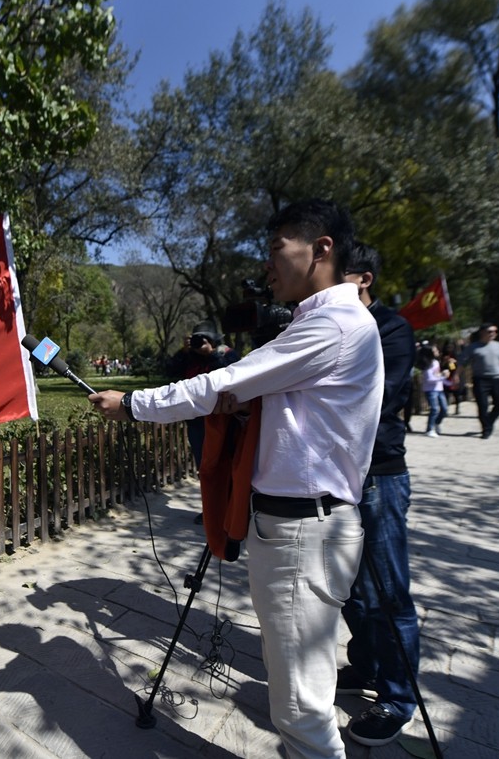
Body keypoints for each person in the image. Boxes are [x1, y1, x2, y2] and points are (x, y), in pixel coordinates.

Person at [91, 198, 384, 758]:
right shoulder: (323, 321)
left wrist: (132, 404)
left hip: (304, 531)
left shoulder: (333, 324)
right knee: (293, 685)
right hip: (293, 526)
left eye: (278, 249)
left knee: (300, 707)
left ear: (322, 249)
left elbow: (219, 382)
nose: (268, 266)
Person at [337, 243, 422, 747]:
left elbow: (375, 397)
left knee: (389, 591)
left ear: (363, 279)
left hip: (380, 475)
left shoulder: (390, 328)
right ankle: (365, 665)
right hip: (336, 476)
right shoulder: (329, 323)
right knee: (350, 587)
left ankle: (396, 697)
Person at [167, 319, 241, 522]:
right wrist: (182, 352)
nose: (200, 344)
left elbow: (234, 378)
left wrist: (212, 356)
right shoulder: (188, 358)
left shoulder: (227, 354)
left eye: (204, 339)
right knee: (206, 468)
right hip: (198, 423)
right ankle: (212, 510)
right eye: (196, 340)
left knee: (228, 465)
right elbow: (168, 372)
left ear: (214, 340)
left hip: (225, 422)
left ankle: (233, 509)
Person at [461, 323, 499, 438]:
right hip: (480, 379)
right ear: (482, 332)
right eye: (490, 331)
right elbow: (462, 363)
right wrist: (456, 376)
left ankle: (489, 422)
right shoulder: (473, 347)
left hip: (498, 378)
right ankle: (486, 430)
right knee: (482, 406)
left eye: (495, 331)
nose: (493, 333)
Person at [418, 342, 447, 437]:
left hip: (439, 388)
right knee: (434, 409)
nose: (437, 351)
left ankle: (436, 423)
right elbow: (430, 379)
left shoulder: (436, 362)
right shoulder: (427, 364)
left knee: (444, 409)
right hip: (430, 390)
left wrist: (447, 381)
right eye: (435, 350)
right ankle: (429, 429)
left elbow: (437, 375)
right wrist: (443, 376)